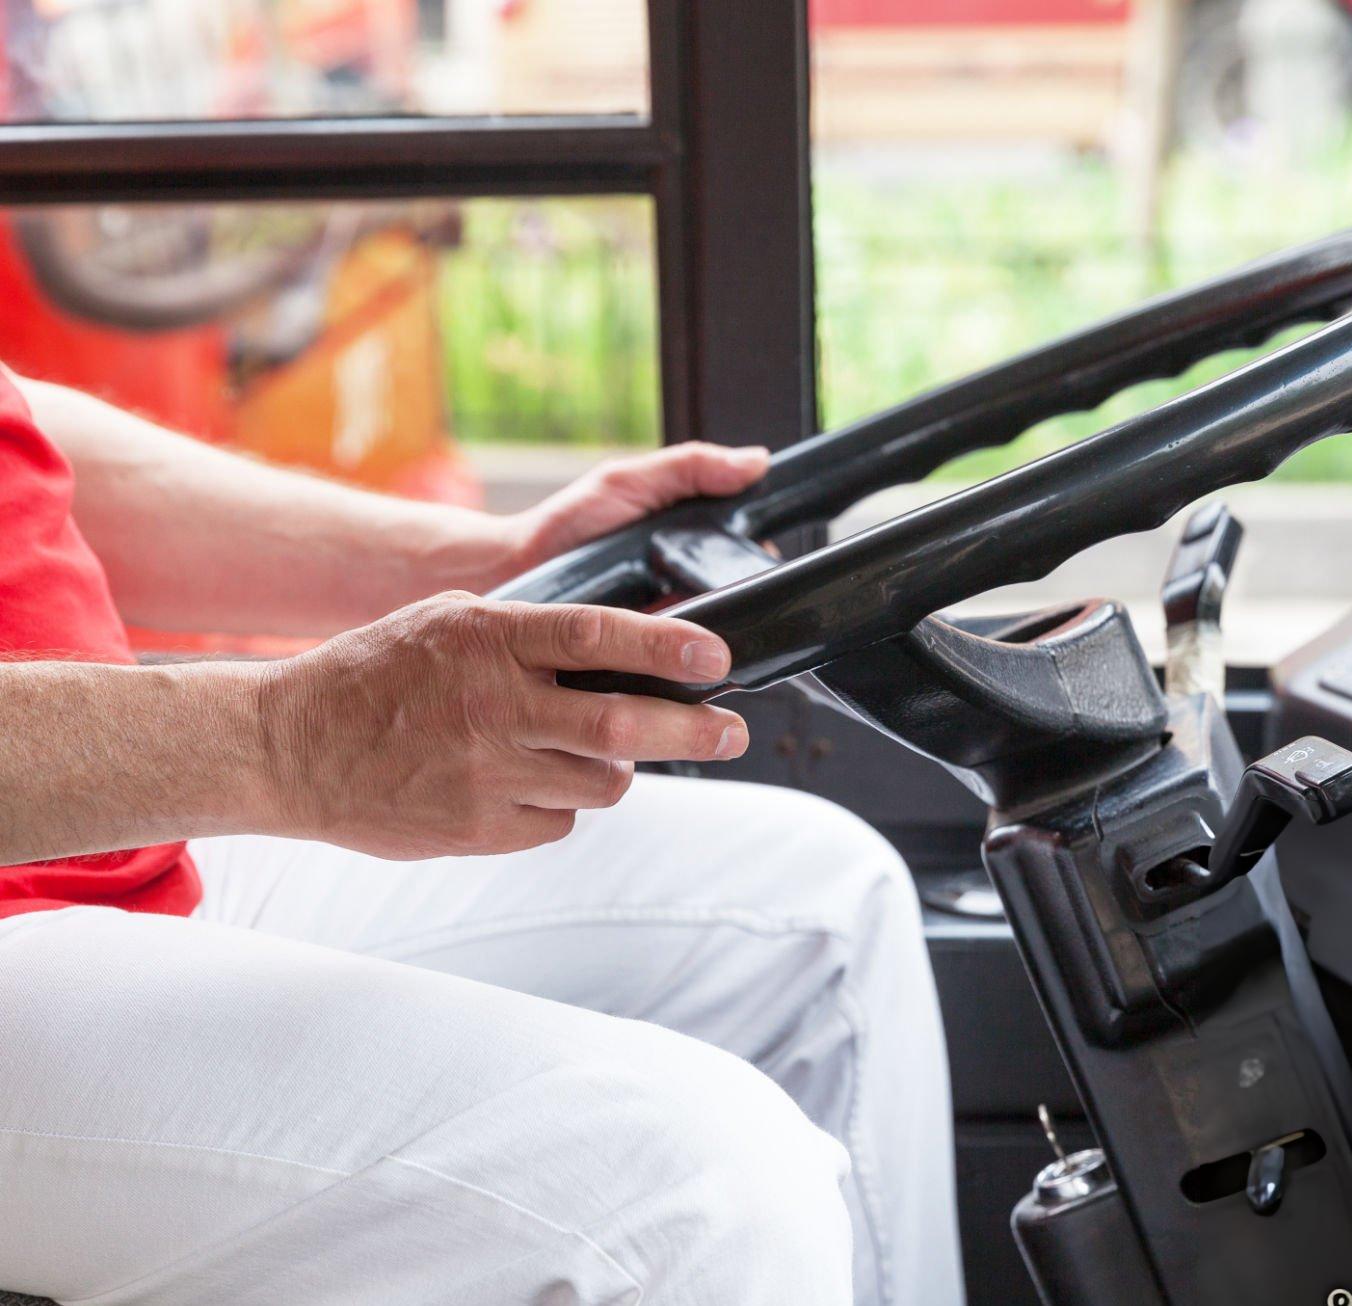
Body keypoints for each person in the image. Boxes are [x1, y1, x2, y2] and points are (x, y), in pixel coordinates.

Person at [0, 367, 964, 1306]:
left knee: (824, 903)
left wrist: (487, 564)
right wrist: (288, 740)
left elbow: (23, 429)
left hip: (108, 833)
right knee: (694, 1190)